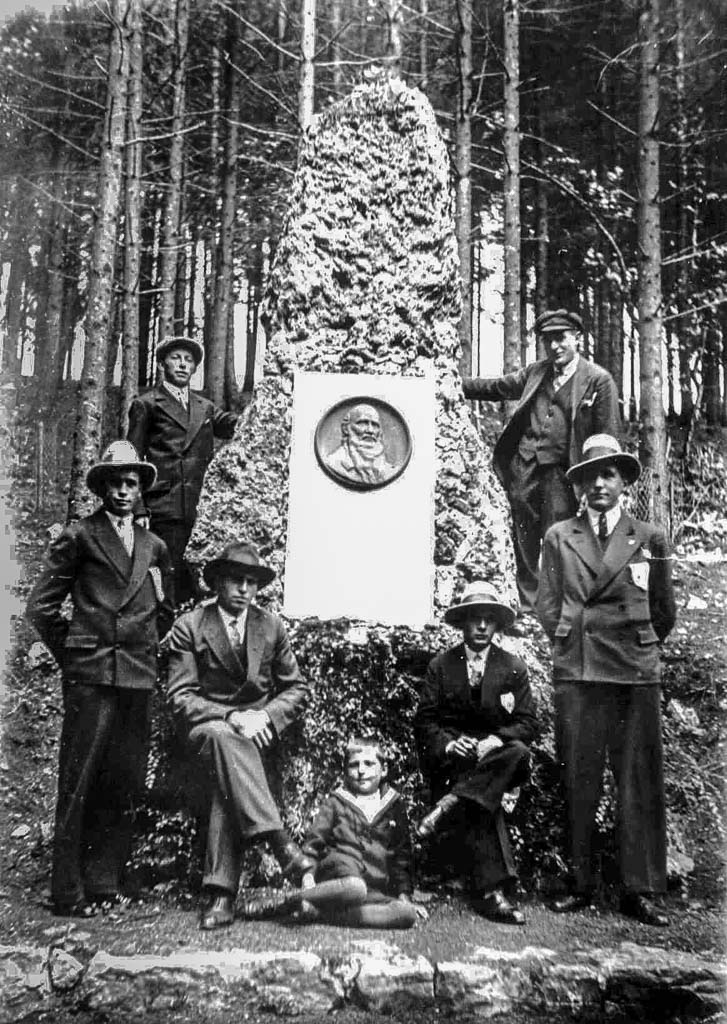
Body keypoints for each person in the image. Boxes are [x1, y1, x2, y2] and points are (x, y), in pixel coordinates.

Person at [26, 440, 173, 917]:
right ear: (102, 488)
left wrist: (147, 647)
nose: (123, 492)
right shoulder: (80, 536)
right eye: (115, 483)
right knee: (80, 778)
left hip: (136, 673)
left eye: (131, 483)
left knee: (123, 778)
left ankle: (106, 881)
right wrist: (76, 649)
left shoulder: (154, 546)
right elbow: (41, 607)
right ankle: (67, 891)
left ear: (141, 489)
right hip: (90, 674)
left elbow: (163, 610)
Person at [536, 434, 677, 927]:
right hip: (579, 668)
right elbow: (546, 602)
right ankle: (580, 883)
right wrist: (571, 637)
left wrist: (637, 642)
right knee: (579, 776)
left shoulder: (650, 537)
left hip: (634, 672)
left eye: (609, 475)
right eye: (590, 476)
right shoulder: (559, 536)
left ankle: (640, 888)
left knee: (638, 780)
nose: (599, 483)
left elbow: (663, 611)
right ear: (577, 486)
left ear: (623, 483)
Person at [165, 540, 313, 930]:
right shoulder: (190, 626)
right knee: (221, 738)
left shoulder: (271, 625)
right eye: (235, 580)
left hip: (254, 737)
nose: (244, 589)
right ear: (216, 582)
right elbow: (180, 696)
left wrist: (264, 716)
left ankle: (221, 893)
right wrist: (232, 715)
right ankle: (281, 844)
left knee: (225, 779)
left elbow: (296, 688)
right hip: (206, 731)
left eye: (251, 581)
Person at [462, 309, 620, 609]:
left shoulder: (598, 380)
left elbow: (607, 439)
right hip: (525, 464)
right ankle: (528, 598)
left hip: (563, 471)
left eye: (561, 338)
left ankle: (555, 600)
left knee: (557, 531)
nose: (555, 346)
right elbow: (497, 387)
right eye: (548, 340)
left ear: (577, 338)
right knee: (522, 527)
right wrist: (453, 383)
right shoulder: (537, 372)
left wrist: (596, 482)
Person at [414, 582, 537, 925]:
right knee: (485, 797)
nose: (482, 626)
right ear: (463, 623)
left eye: (489, 620)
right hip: (458, 766)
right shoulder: (442, 665)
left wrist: (495, 740)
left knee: (517, 750)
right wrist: (451, 744)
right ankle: (491, 892)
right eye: (474, 619)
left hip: (497, 759)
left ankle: (447, 806)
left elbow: (527, 723)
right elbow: (425, 722)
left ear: (497, 625)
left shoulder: (513, 667)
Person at [243, 736, 427, 929]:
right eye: (354, 765)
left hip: (374, 891)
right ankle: (285, 903)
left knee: (406, 914)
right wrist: (308, 878)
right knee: (355, 887)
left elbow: (401, 857)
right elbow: (313, 844)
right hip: (339, 883)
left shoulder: (394, 805)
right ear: (345, 772)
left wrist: (404, 896)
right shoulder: (336, 802)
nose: (361, 771)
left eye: (369, 764)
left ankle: (320, 914)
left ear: (384, 770)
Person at [127, 336, 238, 604]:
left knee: (196, 579)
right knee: (165, 578)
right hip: (164, 506)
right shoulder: (148, 404)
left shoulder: (205, 407)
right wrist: (138, 508)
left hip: (200, 507)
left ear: (195, 368)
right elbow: (132, 458)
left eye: (189, 360)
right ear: (163, 362)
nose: (182, 364)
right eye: (176, 358)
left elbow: (235, 425)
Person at [322, 403, 396, 485]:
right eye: (363, 423)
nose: (370, 430)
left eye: (375, 425)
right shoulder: (333, 463)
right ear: (346, 428)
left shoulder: (390, 470)